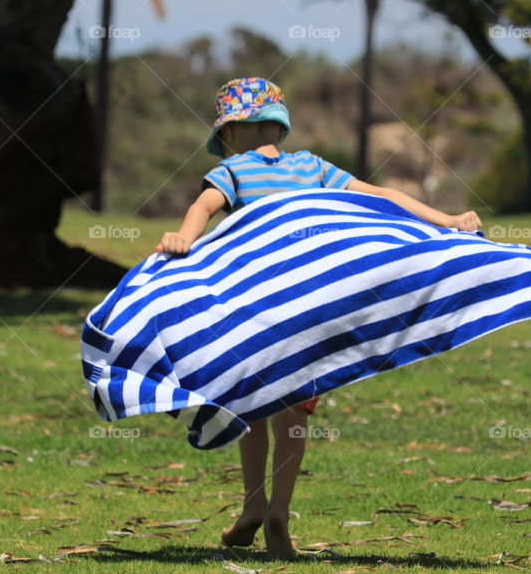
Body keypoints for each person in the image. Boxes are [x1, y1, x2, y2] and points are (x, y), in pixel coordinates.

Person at [154, 77, 483, 560]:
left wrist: (181, 237)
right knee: (295, 415)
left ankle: (253, 506)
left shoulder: (233, 170)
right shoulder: (311, 166)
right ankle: (279, 509)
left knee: (251, 408)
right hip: (310, 312)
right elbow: (382, 195)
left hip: (260, 311)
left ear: (227, 133)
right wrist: (447, 220)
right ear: (280, 128)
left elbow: (204, 205)